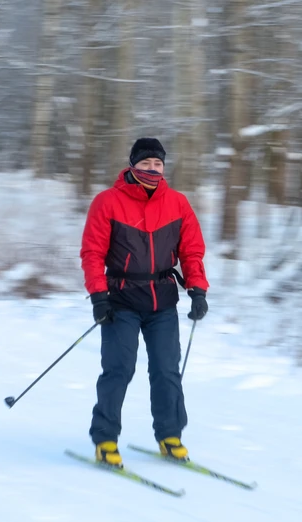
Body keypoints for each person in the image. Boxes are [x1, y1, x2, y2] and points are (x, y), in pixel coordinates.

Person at [80, 138, 209, 468]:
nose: (153, 169)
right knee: (118, 369)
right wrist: (98, 297)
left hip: (162, 301)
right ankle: (105, 440)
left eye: (158, 164)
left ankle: (170, 436)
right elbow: (93, 253)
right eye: (146, 163)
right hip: (120, 301)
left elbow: (191, 250)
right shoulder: (107, 202)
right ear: (132, 165)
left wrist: (197, 289)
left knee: (167, 371)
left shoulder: (178, 203)